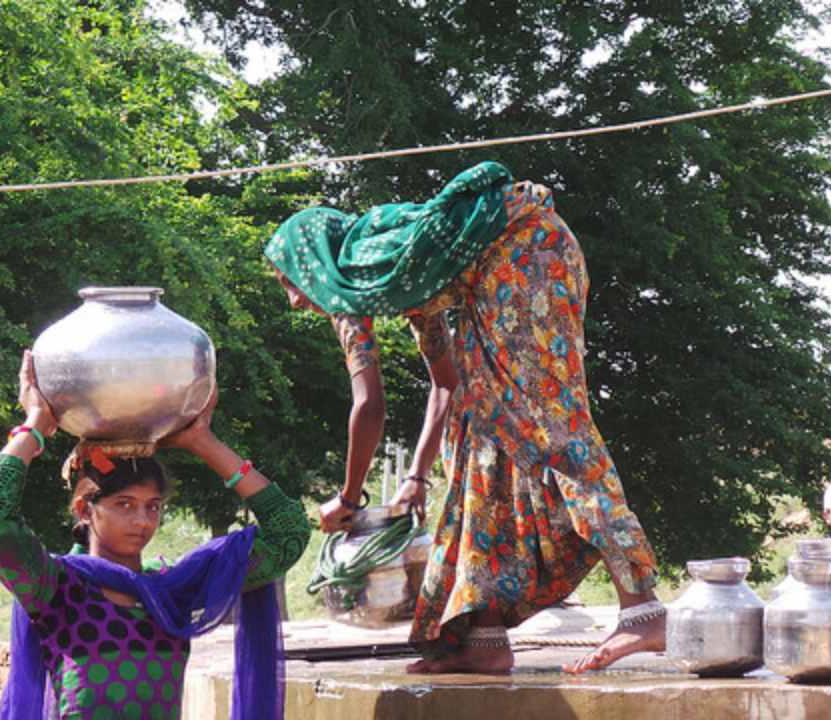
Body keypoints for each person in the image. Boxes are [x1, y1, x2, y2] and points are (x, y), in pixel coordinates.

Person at [265, 161, 664, 674]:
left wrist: (347, 499)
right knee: (479, 434)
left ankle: (643, 610)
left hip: (527, 250)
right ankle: (484, 634)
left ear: (311, 263)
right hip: (517, 259)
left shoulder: (349, 281)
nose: (296, 301)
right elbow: (446, 384)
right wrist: (414, 478)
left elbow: (369, 405)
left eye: (290, 282)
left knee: (554, 432)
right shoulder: (401, 267)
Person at [0, 351, 311, 719]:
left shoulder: (172, 593)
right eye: (125, 505)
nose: (143, 521)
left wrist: (203, 443)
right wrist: (34, 426)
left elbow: (287, 534)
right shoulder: (57, 588)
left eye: (153, 506)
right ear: (86, 510)